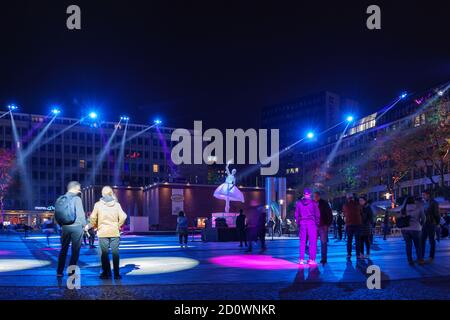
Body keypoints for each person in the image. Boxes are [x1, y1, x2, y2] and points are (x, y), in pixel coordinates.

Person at [88, 186, 127, 279]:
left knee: (104, 254)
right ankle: (117, 274)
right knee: (115, 253)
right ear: (111, 193)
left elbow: (93, 217)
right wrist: (118, 225)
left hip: (103, 232)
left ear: (102, 194)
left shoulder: (98, 205)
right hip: (114, 232)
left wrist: (95, 226)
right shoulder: (117, 205)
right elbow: (124, 216)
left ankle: (106, 273)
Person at [56, 181, 87, 277]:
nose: (79, 190)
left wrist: (62, 225)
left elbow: (56, 215)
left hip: (65, 227)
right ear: (74, 188)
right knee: (75, 251)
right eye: (79, 188)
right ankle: (71, 273)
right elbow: (81, 215)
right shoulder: (76, 199)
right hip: (77, 227)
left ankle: (59, 272)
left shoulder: (60, 199)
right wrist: (85, 226)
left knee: (63, 249)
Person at [295, 188, 320, 265]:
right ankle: (312, 259)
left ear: (303, 194)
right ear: (310, 194)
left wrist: (299, 223)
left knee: (302, 242)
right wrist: (317, 224)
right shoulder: (314, 203)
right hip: (311, 223)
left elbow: (296, 214)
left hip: (303, 223)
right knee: (312, 242)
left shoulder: (299, 203)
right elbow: (317, 214)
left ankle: (301, 259)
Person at [400, 196, 425, 265]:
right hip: (416, 228)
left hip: (405, 229)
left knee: (408, 245)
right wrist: (420, 224)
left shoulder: (403, 208)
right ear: (413, 201)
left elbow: (401, 218)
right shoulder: (419, 207)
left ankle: (410, 260)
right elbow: (423, 218)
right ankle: (420, 259)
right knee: (418, 246)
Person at [313, 191, 333, 264]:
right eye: (314, 196)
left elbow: (329, 214)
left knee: (323, 242)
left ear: (319, 196)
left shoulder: (324, 203)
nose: (315, 197)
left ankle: (323, 258)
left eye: (316, 196)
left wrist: (328, 224)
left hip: (323, 225)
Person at [421, 190, 440, 262]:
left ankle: (431, 256)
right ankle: (421, 257)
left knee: (432, 241)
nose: (422, 196)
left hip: (431, 223)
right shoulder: (423, 203)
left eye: (424, 195)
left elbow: (437, 214)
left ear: (428, 195)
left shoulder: (434, 203)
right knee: (422, 240)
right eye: (422, 195)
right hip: (424, 224)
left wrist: (437, 223)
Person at [343, 193, 362, 260]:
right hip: (357, 224)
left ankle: (349, 254)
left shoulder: (345, 205)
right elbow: (360, 211)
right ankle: (358, 254)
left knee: (349, 240)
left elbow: (345, 214)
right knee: (357, 240)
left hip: (349, 224)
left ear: (348, 198)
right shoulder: (357, 204)